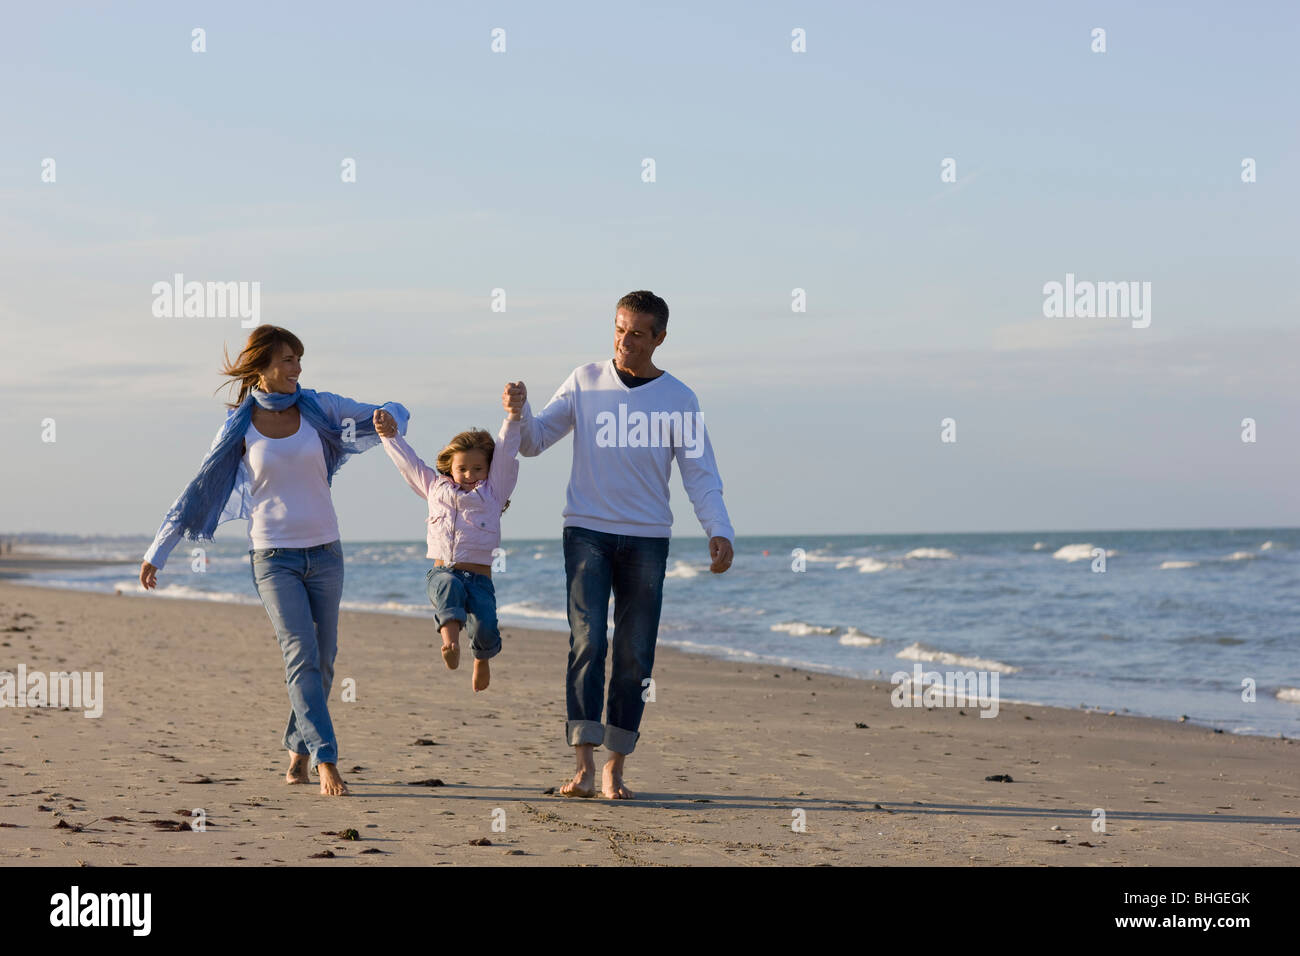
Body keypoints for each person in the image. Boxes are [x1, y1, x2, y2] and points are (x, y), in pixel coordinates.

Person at [138, 325, 410, 797]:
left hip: (326, 552)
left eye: (299, 359)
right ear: (261, 367)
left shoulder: (320, 407)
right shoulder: (238, 428)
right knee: (301, 655)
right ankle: (327, 759)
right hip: (272, 557)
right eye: (287, 359)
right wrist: (157, 551)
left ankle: (296, 747)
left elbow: (392, 412)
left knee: (324, 662)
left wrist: (389, 417)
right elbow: (198, 490)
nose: (297, 368)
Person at [505, 290, 735, 799]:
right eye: (618, 328)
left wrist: (718, 528)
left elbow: (700, 472)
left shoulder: (679, 398)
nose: (624, 340)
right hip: (586, 529)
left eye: (636, 333)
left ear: (659, 338)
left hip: (648, 538)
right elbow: (535, 441)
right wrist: (518, 413)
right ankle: (584, 766)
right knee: (589, 640)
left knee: (636, 654)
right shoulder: (585, 381)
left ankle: (615, 768)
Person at [372, 395, 521, 692]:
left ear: (489, 471)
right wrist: (389, 435)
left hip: (479, 579)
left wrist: (513, 417)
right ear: (450, 468)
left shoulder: (493, 492)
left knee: (486, 627)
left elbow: (505, 452)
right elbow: (409, 464)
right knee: (449, 590)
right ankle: (450, 643)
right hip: (442, 571)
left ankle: (481, 658)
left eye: (478, 469)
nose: (469, 475)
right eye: (462, 469)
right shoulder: (434, 487)